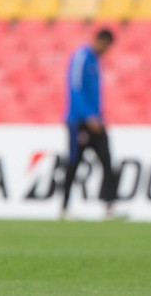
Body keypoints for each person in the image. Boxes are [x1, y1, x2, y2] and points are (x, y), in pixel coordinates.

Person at [60, 28, 120, 220]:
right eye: (107, 46)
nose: (106, 51)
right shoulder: (82, 57)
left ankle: (110, 206)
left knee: (107, 160)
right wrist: (88, 116)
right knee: (73, 162)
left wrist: (99, 116)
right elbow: (75, 88)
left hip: (96, 121)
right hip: (79, 122)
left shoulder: (95, 60)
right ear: (101, 41)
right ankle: (64, 208)